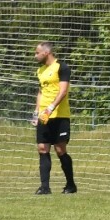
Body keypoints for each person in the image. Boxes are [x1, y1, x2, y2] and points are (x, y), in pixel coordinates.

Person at [33, 42, 77, 195]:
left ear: (46, 52)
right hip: (44, 116)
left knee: (60, 149)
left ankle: (71, 185)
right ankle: (45, 187)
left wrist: (50, 108)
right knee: (42, 148)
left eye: (37, 52)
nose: (35, 55)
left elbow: (63, 91)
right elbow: (40, 92)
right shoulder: (40, 71)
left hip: (59, 115)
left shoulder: (62, 67)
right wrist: (36, 112)